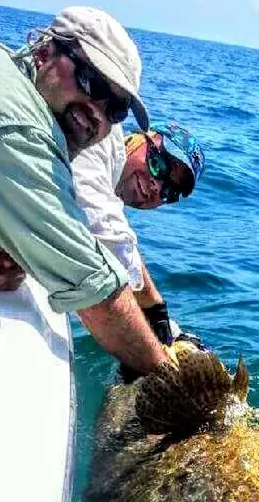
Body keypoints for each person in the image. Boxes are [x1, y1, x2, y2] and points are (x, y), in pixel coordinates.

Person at [0, 6, 170, 376]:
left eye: (115, 109)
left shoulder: (0, 69)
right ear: (44, 51)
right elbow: (93, 291)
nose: (97, 112)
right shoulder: (12, 133)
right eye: (92, 82)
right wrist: (167, 374)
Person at [72, 120, 206, 354]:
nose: (156, 186)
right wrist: (160, 361)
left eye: (168, 191)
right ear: (140, 137)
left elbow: (119, 239)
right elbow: (107, 233)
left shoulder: (108, 186)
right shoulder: (97, 140)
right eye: (158, 165)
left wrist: (162, 319)